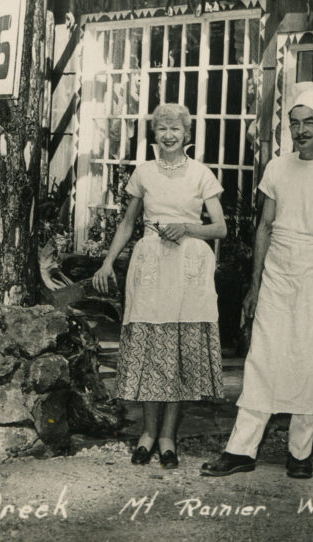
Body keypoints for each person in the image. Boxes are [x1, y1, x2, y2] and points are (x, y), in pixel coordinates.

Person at [201, 81, 313, 480]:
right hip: (278, 272)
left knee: (312, 363)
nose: (302, 130)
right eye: (294, 122)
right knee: (262, 360)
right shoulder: (276, 168)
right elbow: (264, 227)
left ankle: (299, 453)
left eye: (310, 122)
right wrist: (254, 286)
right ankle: (241, 450)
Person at [92, 102, 226, 470]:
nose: (169, 135)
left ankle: (168, 437)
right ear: (155, 134)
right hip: (150, 263)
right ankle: (148, 434)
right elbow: (127, 224)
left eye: (176, 129)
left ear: (187, 135)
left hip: (188, 267)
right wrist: (107, 262)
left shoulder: (201, 174)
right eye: (162, 129)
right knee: (152, 349)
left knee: (179, 350)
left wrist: (186, 228)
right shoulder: (144, 172)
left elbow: (220, 228)